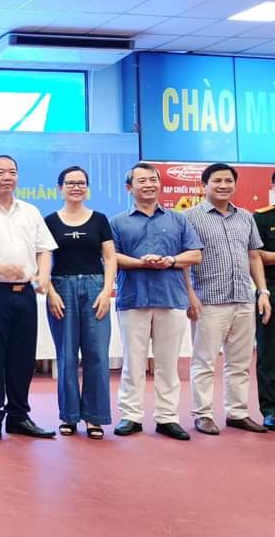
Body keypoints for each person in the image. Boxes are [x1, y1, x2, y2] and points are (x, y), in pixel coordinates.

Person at [0, 155, 57, 441]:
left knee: (22, 357)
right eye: (0, 172)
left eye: (12, 172)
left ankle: (19, 416)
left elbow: (44, 248)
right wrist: (1, 268)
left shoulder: (30, 211)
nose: (7, 177)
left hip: (24, 295)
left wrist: (43, 275)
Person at [111, 162, 202, 440]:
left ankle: (167, 417)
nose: (148, 185)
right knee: (133, 362)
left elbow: (195, 255)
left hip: (170, 298)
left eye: (153, 179)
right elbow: (110, 257)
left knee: (167, 363)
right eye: (142, 181)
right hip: (132, 298)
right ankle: (131, 416)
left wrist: (171, 260)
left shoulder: (178, 219)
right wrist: (140, 262)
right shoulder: (117, 222)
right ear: (129, 188)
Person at [184, 163, 269, 435]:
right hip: (208, 300)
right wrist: (190, 296)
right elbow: (185, 262)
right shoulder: (190, 218)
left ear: (235, 184)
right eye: (217, 181)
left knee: (240, 362)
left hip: (244, 298)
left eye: (228, 181)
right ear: (204, 185)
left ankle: (237, 412)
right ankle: (203, 414)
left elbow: (254, 256)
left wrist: (262, 291)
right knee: (204, 362)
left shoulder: (246, 217)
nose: (223, 185)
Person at [44, 166, 117, 439]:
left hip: (95, 287)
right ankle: (70, 416)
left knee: (97, 355)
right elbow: (42, 260)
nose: (76, 187)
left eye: (81, 183)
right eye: (70, 183)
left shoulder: (99, 219)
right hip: (61, 287)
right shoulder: (49, 221)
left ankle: (95, 417)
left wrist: (107, 291)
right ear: (60, 187)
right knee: (66, 356)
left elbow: (110, 258)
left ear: (87, 188)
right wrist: (50, 292)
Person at [255, 171, 275, 430]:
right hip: (271, 289)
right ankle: (271, 408)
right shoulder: (262, 217)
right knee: (269, 353)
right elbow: (257, 255)